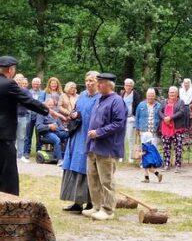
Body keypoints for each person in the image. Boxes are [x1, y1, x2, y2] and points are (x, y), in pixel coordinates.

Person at [0, 56, 49, 196]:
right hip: (3, 137)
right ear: (11, 70)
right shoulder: (9, 84)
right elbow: (28, 101)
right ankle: (10, 210)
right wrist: (47, 110)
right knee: (9, 178)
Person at [82, 73, 127, 221]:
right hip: (93, 146)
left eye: (100, 82)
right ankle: (96, 206)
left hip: (107, 147)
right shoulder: (100, 100)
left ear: (109, 85)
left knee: (106, 180)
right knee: (93, 179)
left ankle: (108, 210)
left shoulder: (117, 101)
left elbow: (119, 123)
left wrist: (99, 132)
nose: (98, 85)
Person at [61, 71, 101, 213]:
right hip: (77, 136)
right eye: (87, 80)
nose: (89, 83)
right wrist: (74, 114)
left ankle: (90, 202)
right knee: (74, 165)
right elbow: (78, 110)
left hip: (90, 138)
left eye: (92, 80)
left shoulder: (100, 98)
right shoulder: (82, 95)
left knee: (87, 169)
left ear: (98, 82)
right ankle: (77, 202)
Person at [158, 86, 188, 173]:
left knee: (178, 147)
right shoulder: (164, 102)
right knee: (166, 147)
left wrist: (170, 118)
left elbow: (181, 112)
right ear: (168, 93)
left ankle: (178, 165)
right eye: (170, 92)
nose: (172, 94)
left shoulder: (181, 102)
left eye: (173, 92)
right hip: (165, 128)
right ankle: (166, 164)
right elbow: (159, 111)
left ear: (177, 94)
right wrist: (164, 118)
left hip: (177, 128)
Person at [36, 98, 69, 166]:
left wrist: (65, 129)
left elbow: (60, 126)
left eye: (52, 105)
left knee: (68, 135)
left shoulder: (54, 114)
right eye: (49, 105)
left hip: (57, 132)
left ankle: (66, 157)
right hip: (46, 134)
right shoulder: (41, 113)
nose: (51, 107)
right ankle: (59, 160)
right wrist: (49, 126)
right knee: (57, 139)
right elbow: (38, 127)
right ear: (45, 105)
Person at [24, 77, 46, 162]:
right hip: (29, 115)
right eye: (34, 83)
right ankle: (26, 152)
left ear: (40, 84)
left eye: (37, 83)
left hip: (39, 116)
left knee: (39, 136)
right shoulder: (28, 92)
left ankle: (39, 152)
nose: (36, 85)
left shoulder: (43, 93)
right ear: (32, 84)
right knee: (28, 135)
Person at [120, 78, 141, 163]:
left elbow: (138, 107)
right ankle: (121, 155)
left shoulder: (135, 94)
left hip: (131, 118)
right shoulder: (122, 94)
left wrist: (136, 118)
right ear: (124, 86)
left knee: (130, 138)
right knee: (122, 138)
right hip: (122, 119)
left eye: (130, 85)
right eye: (126, 85)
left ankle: (131, 156)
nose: (128, 87)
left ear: (132, 86)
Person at [14, 74, 31, 158]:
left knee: (21, 136)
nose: (18, 81)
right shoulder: (10, 89)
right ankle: (11, 154)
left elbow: (28, 101)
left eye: (20, 79)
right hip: (11, 116)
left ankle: (20, 155)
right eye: (16, 79)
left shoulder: (26, 91)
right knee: (11, 136)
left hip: (22, 116)